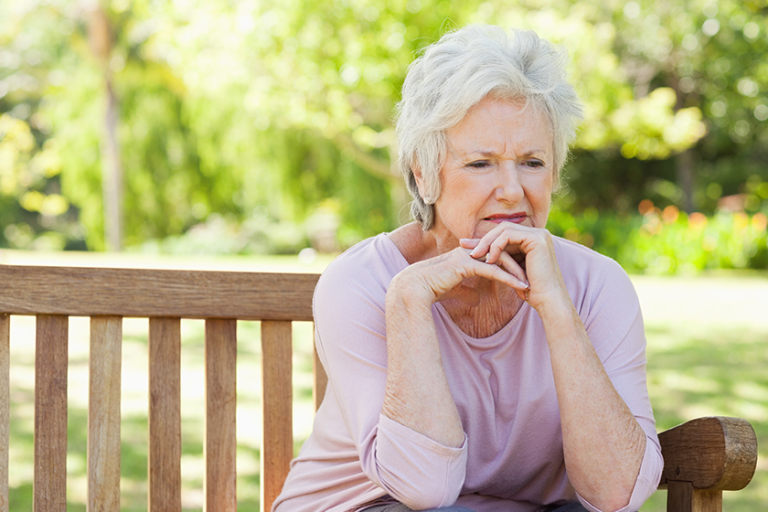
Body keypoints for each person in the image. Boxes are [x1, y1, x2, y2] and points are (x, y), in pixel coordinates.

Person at [273, 25, 663, 512]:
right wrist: (411, 301)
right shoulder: (362, 284)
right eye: (481, 163)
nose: (511, 190)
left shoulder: (596, 286)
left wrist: (558, 311)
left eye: (532, 162)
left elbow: (616, 494)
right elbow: (424, 488)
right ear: (423, 171)